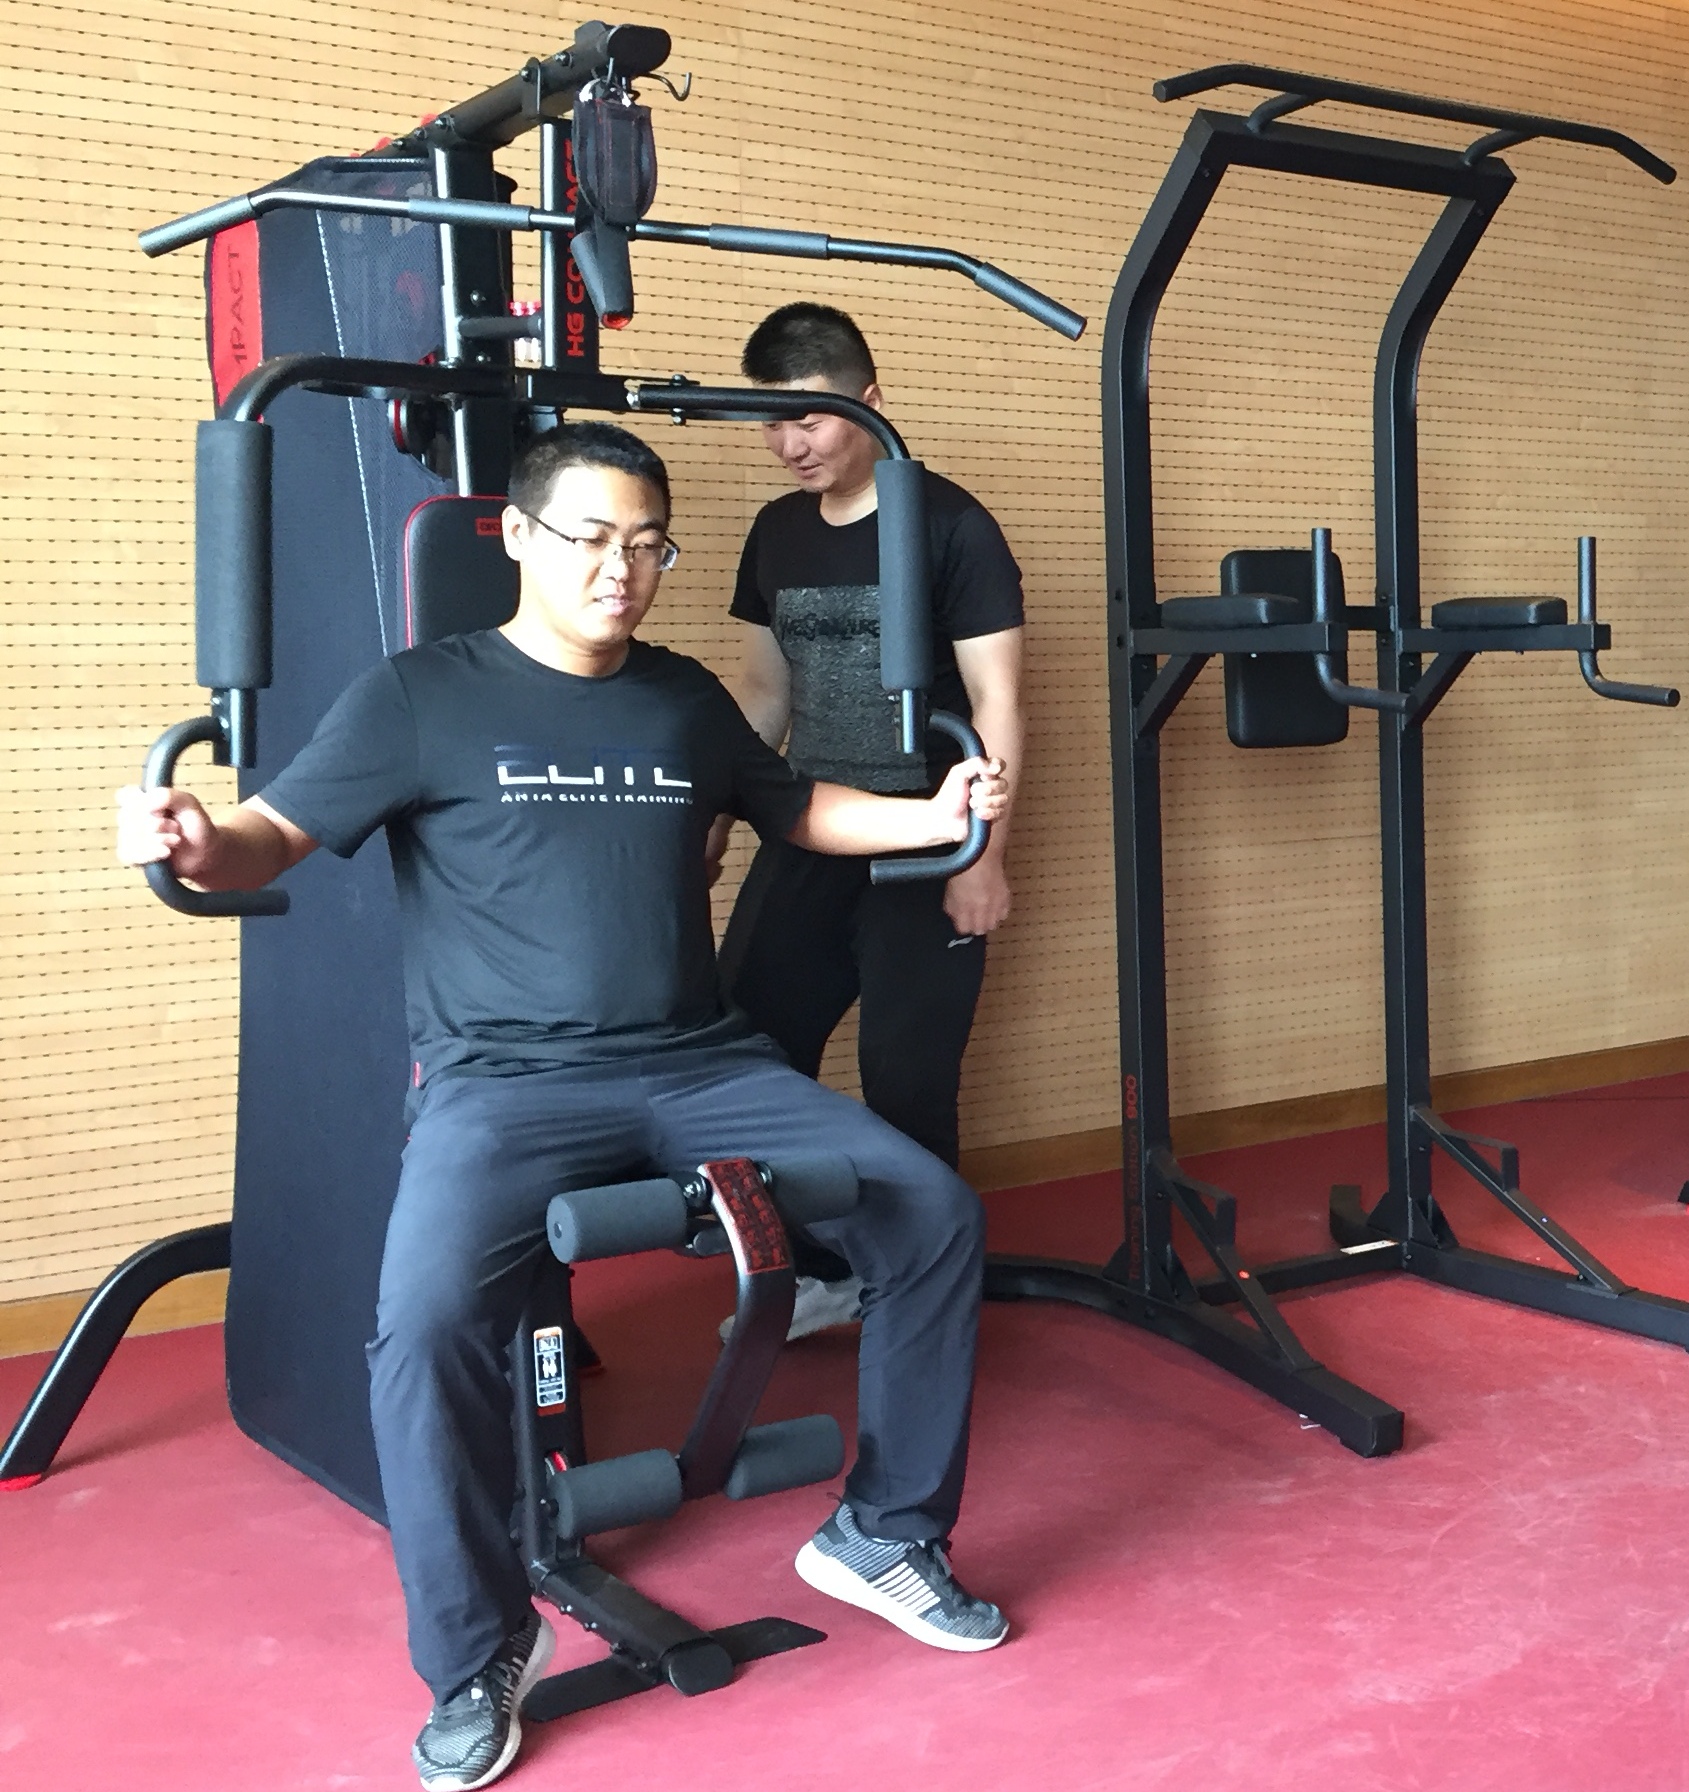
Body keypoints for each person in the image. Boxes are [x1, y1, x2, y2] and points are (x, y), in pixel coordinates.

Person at [117, 424, 1018, 1792]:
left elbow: (798, 809)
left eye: (647, 545)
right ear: (522, 540)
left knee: (931, 1210)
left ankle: (884, 1534)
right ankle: (477, 1651)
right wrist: (199, 841)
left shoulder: (683, 698)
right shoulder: (421, 695)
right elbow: (271, 836)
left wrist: (939, 812)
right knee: (423, 1326)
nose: (621, 570)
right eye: (591, 539)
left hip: (703, 1062)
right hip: (505, 1084)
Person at [713, 304, 1026, 1338]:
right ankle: (811, 1274)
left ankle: (921, 1296)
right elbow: (765, 694)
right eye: (773, 423)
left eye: (808, 419)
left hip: (931, 835)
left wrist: (981, 857)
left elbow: (999, 704)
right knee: (749, 1047)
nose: (789, 445)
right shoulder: (776, 531)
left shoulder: (952, 525)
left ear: (870, 402)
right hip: (811, 824)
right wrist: (718, 818)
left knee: (908, 1077)